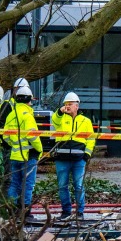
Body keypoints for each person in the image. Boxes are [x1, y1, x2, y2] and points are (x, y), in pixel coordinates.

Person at [51, 92, 95, 222]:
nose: (67, 106)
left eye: (70, 104)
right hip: (62, 158)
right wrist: (60, 111)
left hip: (78, 159)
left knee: (79, 186)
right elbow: (55, 119)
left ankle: (79, 213)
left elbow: (91, 139)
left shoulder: (85, 121)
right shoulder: (60, 118)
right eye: (65, 104)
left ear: (77, 106)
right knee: (62, 186)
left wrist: (87, 154)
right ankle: (66, 211)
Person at [4, 82, 43, 210]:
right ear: (29, 100)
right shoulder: (28, 116)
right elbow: (33, 137)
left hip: (15, 155)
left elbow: (5, 136)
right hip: (28, 155)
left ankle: (11, 209)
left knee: (15, 184)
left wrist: (15, 144)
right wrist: (39, 149)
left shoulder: (11, 114)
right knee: (28, 184)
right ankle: (25, 210)